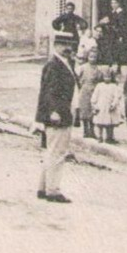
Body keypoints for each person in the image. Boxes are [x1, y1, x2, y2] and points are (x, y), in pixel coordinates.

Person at [35, 32, 79, 203]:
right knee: (57, 153)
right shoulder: (54, 65)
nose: (68, 48)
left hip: (62, 113)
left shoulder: (64, 63)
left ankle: (43, 187)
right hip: (57, 115)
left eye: (69, 44)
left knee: (51, 152)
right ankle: (53, 191)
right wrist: (54, 112)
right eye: (63, 44)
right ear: (56, 46)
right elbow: (50, 92)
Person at [92, 65, 123, 145]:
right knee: (100, 123)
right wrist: (94, 105)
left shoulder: (114, 86)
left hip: (110, 107)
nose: (107, 79)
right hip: (101, 106)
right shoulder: (99, 86)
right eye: (105, 77)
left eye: (109, 77)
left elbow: (117, 96)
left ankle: (109, 137)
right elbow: (95, 96)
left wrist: (113, 104)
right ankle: (100, 136)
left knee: (110, 123)